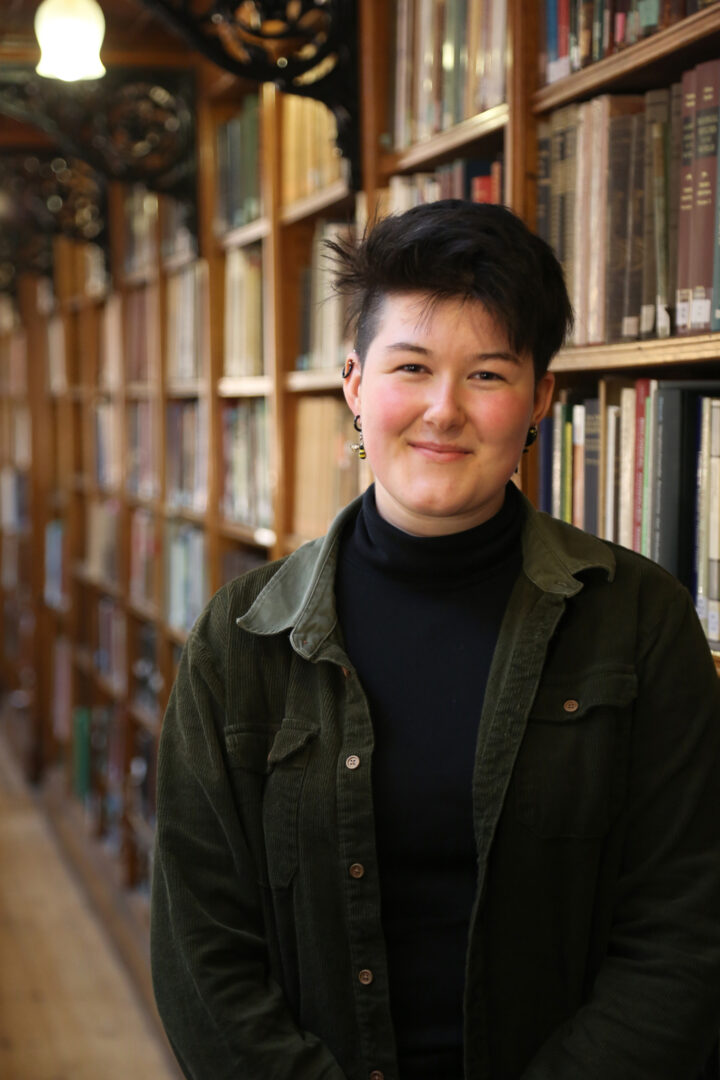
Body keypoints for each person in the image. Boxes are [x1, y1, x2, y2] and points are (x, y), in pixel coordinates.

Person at [150, 199, 720, 1080]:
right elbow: (202, 959)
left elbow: (686, 931)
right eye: (410, 367)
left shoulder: (640, 621)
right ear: (352, 384)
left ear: (539, 399)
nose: (443, 411)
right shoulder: (240, 639)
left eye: (487, 375)